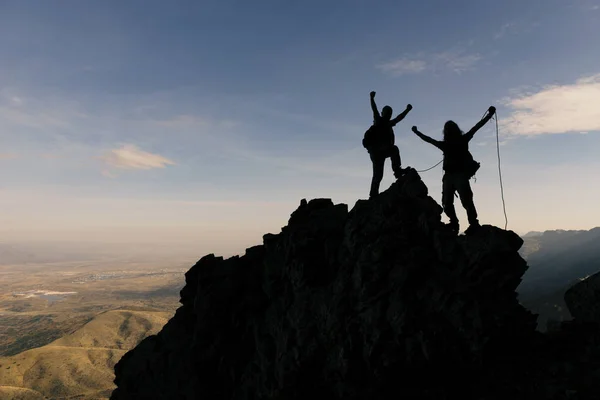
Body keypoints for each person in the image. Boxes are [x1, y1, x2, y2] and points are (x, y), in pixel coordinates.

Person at [411, 106, 496, 234]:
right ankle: (472, 223)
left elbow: (428, 140)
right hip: (459, 175)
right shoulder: (463, 139)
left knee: (449, 202)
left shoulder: (445, 144)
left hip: (451, 176)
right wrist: (489, 115)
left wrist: (417, 132)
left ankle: (456, 223)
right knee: (464, 200)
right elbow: (477, 126)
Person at [363, 91, 413, 198]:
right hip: (377, 152)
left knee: (393, 152)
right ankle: (373, 194)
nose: (389, 114)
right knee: (378, 174)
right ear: (383, 113)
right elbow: (374, 109)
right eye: (387, 112)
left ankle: (397, 171)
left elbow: (399, 118)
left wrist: (407, 110)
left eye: (390, 112)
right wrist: (371, 98)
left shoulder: (388, 123)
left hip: (382, 150)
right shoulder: (379, 120)